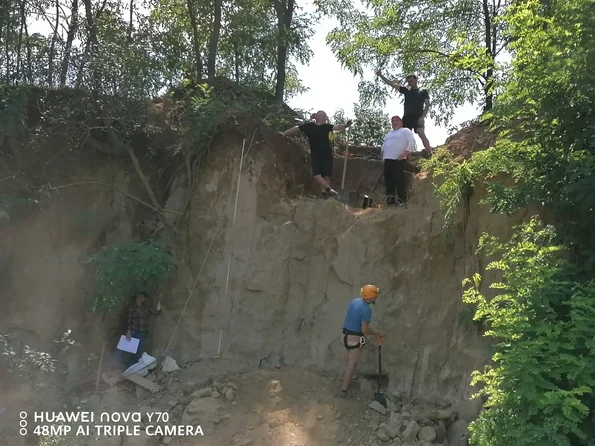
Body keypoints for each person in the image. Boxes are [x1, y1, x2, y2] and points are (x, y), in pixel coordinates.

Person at [282, 110, 352, 198]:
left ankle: (324, 196)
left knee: (327, 175)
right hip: (316, 155)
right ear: (319, 117)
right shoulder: (309, 126)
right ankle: (330, 190)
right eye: (324, 116)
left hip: (327, 154)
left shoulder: (327, 127)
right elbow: (296, 128)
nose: (326, 118)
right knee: (317, 175)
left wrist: (345, 125)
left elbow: (337, 127)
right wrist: (284, 133)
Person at [337, 284, 385, 399]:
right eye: (375, 295)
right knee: (351, 364)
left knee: (347, 361)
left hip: (345, 336)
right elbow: (364, 330)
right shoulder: (367, 310)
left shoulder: (354, 302)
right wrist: (377, 333)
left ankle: (343, 381)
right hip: (355, 339)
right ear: (371, 297)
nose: (376, 297)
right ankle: (343, 391)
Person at [375, 70, 432, 158]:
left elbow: (427, 105)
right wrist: (381, 76)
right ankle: (405, 158)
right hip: (407, 117)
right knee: (404, 138)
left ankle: (430, 153)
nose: (410, 82)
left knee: (421, 134)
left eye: (412, 80)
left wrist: (422, 117)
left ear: (416, 80)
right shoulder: (406, 91)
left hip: (418, 117)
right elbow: (392, 84)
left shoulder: (423, 91)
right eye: (409, 81)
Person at [381, 115, 416, 206]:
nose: (394, 122)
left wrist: (406, 152)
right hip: (387, 161)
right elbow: (384, 146)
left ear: (401, 122)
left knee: (399, 181)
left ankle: (401, 201)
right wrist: (383, 157)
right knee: (389, 182)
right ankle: (391, 202)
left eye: (396, 120)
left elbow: (412, 141)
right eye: (393, 121)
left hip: (398, 160)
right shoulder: (389, 134)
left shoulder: (405, 131)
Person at [124, 292, 161, 366]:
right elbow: (129, 319)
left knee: (139, 351)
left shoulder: (145, 307)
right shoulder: (132, 307)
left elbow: (156, 312)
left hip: (142, 332)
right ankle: (127, 367)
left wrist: (160, 300)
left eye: (143, 297)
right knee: (130, 351)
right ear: (137, 297)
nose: (142, 298)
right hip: (134, 331)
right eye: (140, 296)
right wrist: (128, 331)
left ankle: (133, 368)